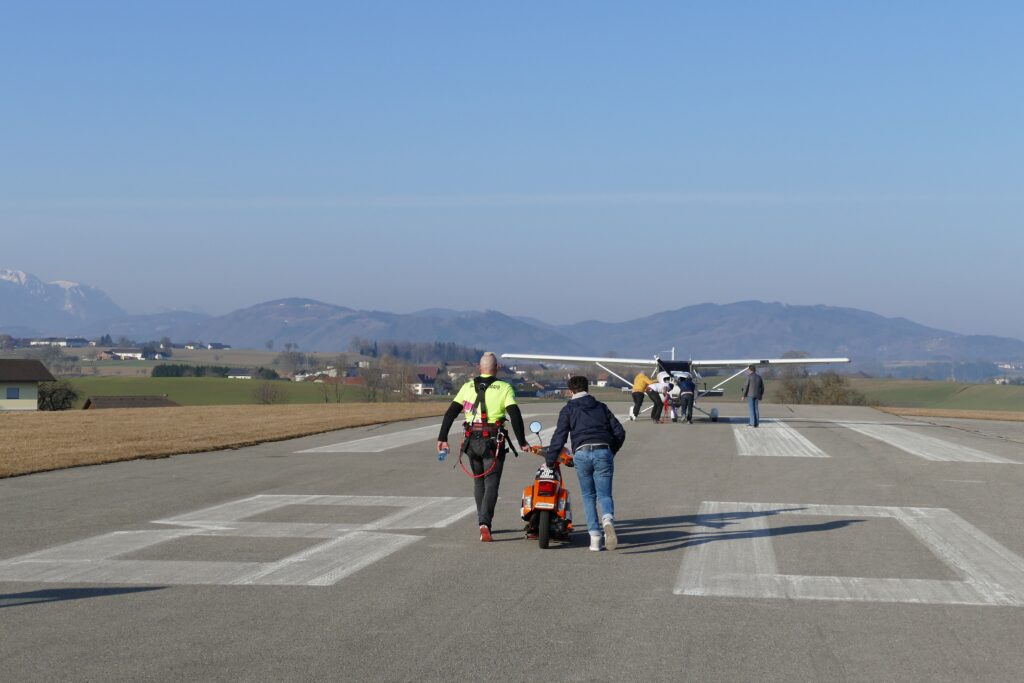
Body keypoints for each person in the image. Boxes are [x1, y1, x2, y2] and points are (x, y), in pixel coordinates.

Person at [437, 352, 530, 541]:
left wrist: (442, 437)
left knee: (478, 482)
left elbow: (450, 413)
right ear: (496, 369)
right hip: (493, 442)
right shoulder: (504, 388)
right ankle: (485, 522)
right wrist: (522, 441)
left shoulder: (467, 386)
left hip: (471, 441)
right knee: (491, 483)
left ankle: (482, 521)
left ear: (480, 368)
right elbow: (515, 415)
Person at [546, 375, 626, 551]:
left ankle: (595, 538)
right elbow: (620, 432)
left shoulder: (568, 409)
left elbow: (559, 437)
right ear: (587, 388)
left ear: (570, 390)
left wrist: (550, 461)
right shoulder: (601, 407)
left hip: (581, 453)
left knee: (588, 496)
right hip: (603, 449)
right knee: (605, 494)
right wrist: (610, 451)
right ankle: (607, 520)